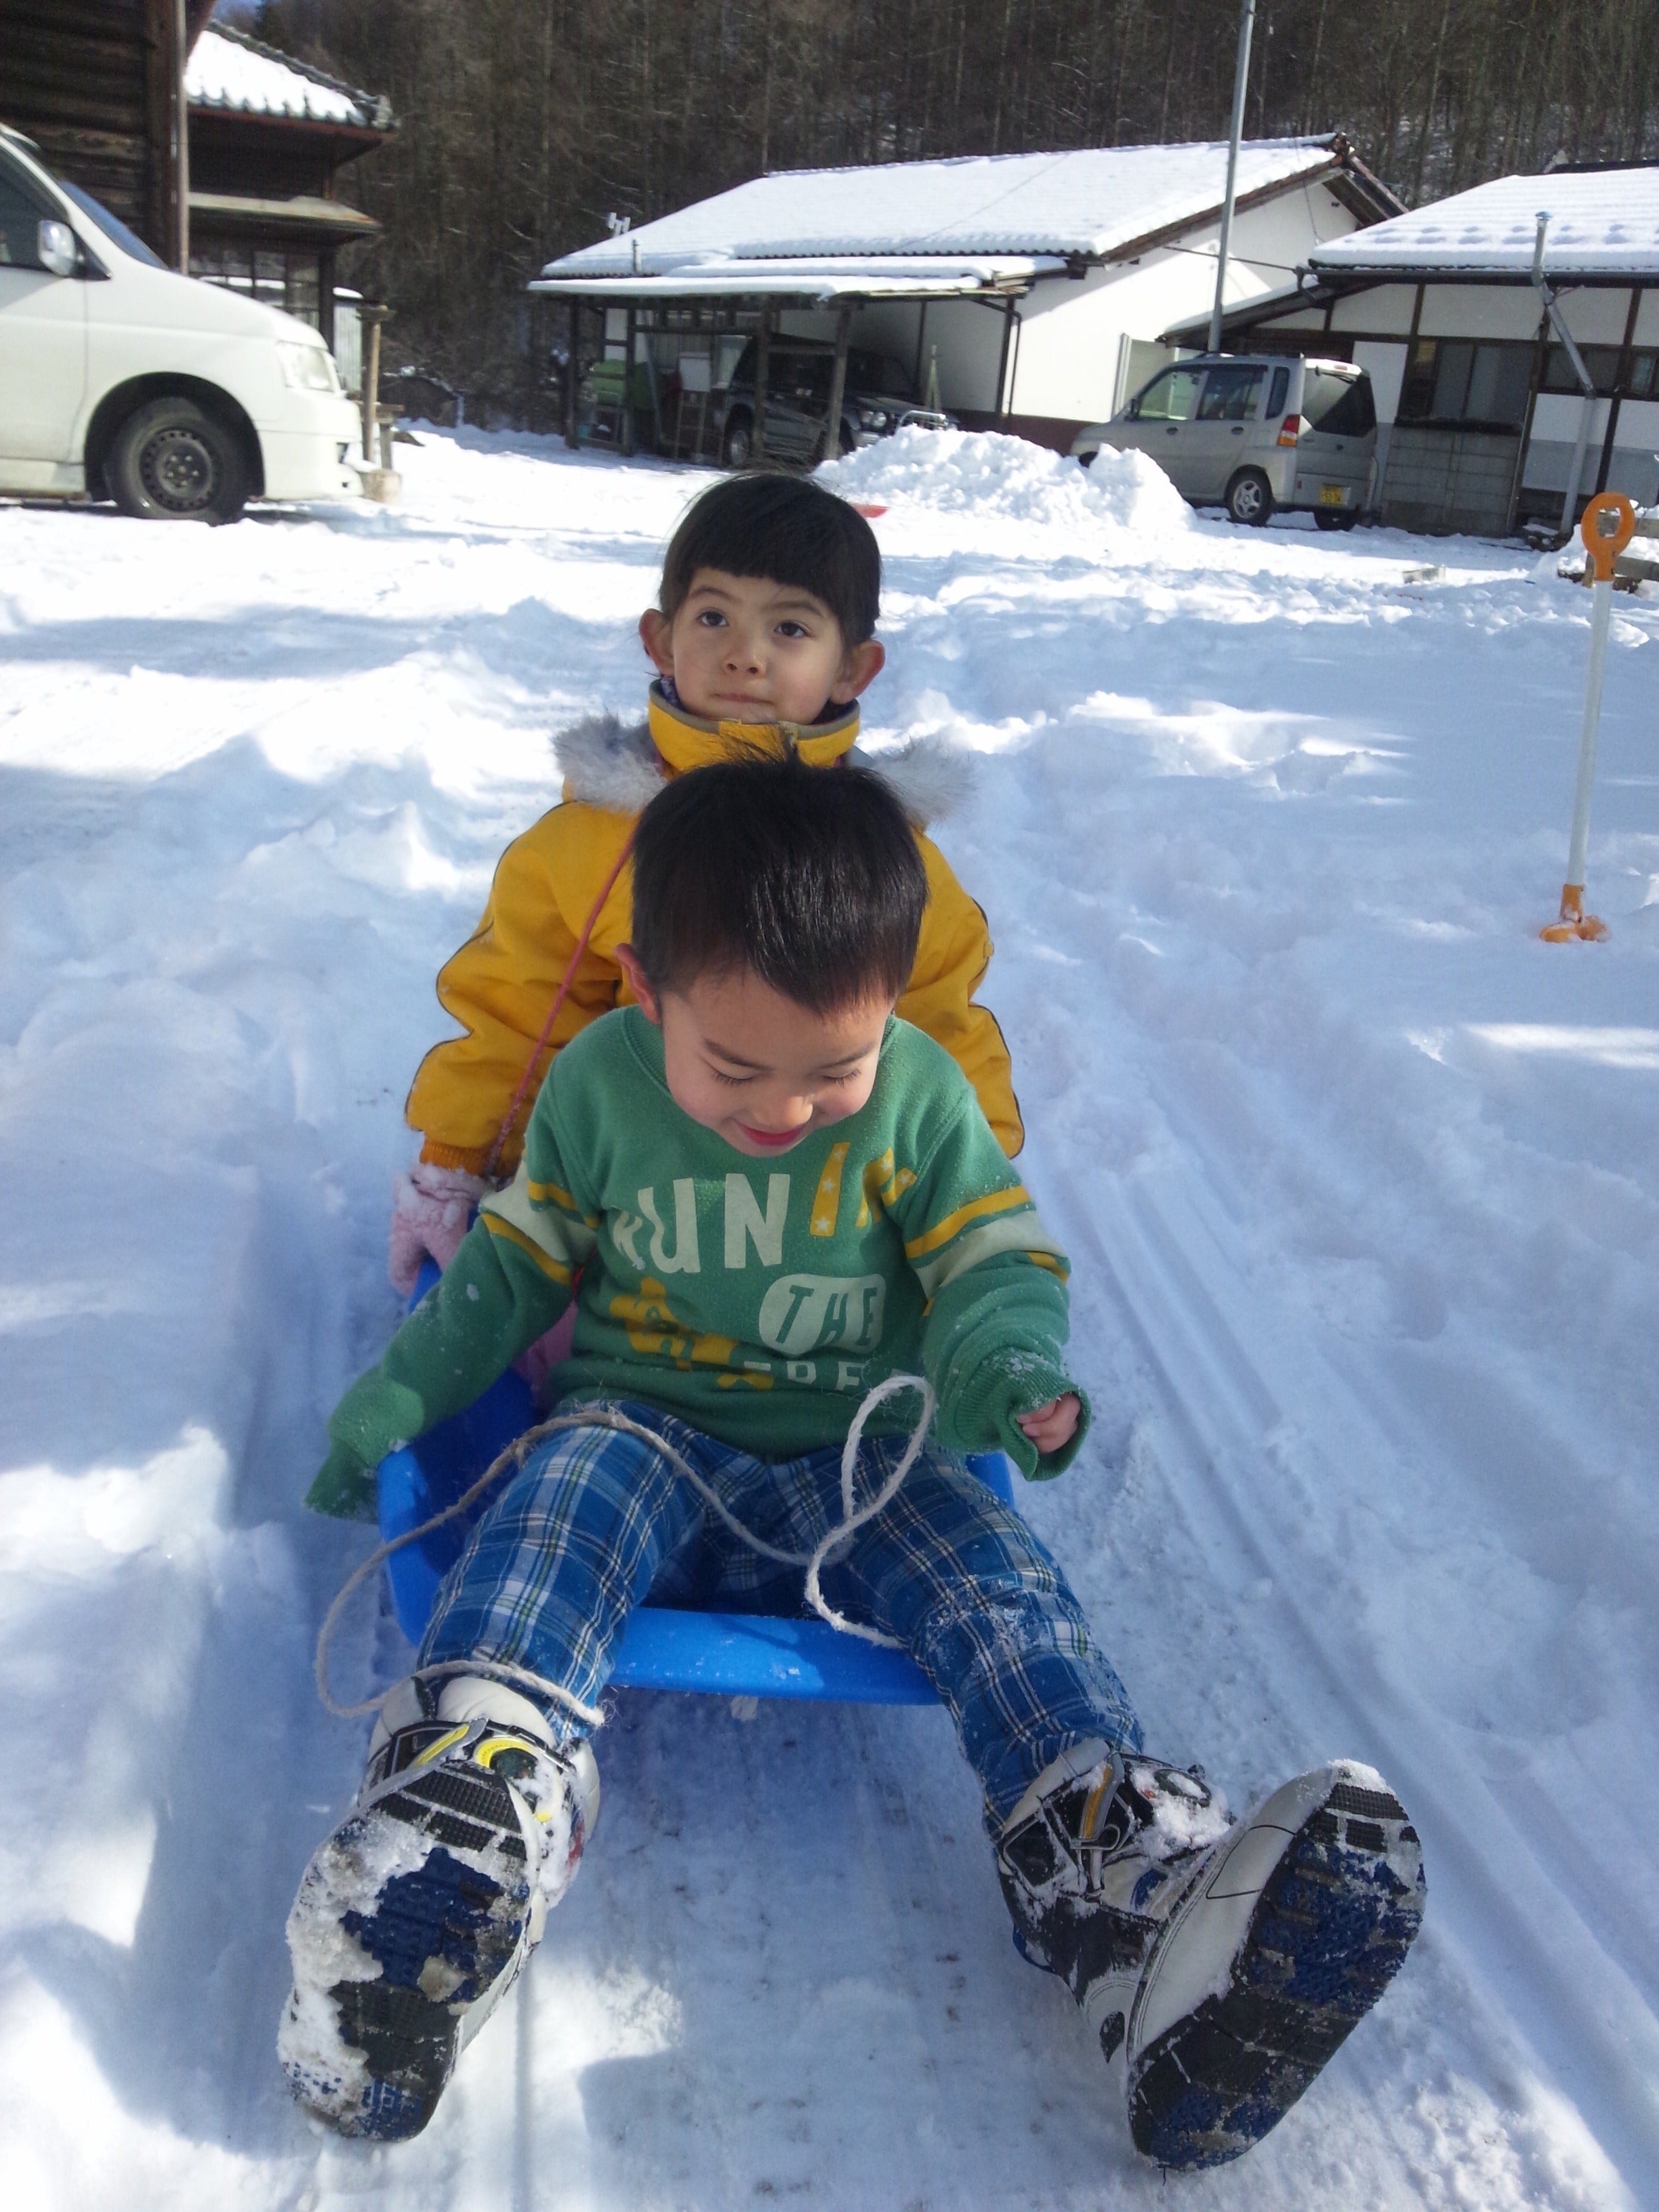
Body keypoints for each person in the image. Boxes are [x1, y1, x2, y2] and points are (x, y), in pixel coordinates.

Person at [282, 756, 1424, 2165]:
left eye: (835, 1068)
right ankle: (464, 1823)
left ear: (889, 1003)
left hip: (857, 1449)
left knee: (996, 1585)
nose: (786, 1110)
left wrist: (1006, 1365)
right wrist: (393, 1402)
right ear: (645, 989)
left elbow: (990, 1257)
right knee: (552, 1508)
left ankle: (1125, 1894)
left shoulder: (920, 1098)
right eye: (736, 1067)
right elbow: (511, 1271)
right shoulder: (594, 1086)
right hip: (643, 1423)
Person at [389, 470, 1022, 1304]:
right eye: (714, 617)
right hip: (635, 1186)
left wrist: (970, 1200)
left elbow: (938, 1025)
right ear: (660, 640)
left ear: (853, 669)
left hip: (818, 1201)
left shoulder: (885, 859)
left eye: (789, 627)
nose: (744, 654)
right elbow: (524, 1009)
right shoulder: (593, 845)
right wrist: (464, 1162)